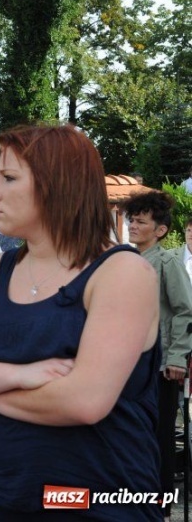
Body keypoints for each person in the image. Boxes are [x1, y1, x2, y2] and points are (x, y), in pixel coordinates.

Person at [0, 125, 162, 520]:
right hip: (8, 496)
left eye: (9, 177)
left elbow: (84, 402)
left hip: (99, 501)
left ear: (58, 185)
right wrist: (26, 374)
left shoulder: (121, 273)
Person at [122, 190, 192, 518]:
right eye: (131, 219)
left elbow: (184, 311)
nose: (133, 225)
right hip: (128, 364)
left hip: (160, 366)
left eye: (141, 221)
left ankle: (161, 509)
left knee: (160, 437)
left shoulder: (167, 263)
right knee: (132, 434)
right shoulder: (125, 259)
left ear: (160, 230)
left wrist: (177, 357)